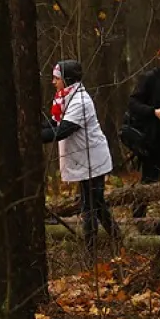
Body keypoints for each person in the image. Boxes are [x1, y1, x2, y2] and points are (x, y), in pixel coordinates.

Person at [41, 59, 122, 255]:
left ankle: (91, 252)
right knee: (96, 202)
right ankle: (118, 239)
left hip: (93, 159)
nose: (53, 82)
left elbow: (62, 131)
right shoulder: (64, 99)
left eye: (56, 78)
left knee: (90, 205)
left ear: (67, 80)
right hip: (84, 159)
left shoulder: (81, 101)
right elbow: (53, 124)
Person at [127, 43, 160, 218]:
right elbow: (133, 103)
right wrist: (153, 112)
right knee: (149, 181)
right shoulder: (152, 78)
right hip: (154, 140)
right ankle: (138, 219)